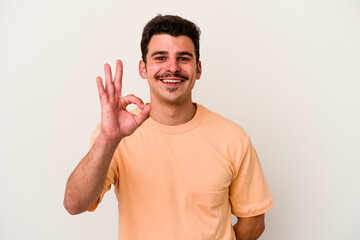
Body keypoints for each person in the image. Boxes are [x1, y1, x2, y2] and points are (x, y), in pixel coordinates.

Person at [64, 15, 273, 240]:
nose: (172, 68)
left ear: (198, 69)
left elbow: (253, 223)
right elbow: (74, 204)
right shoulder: (116, 136)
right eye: (160, 57)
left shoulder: (233, 138)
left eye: (183, 58)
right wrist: (107, 139)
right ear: (143, 68)